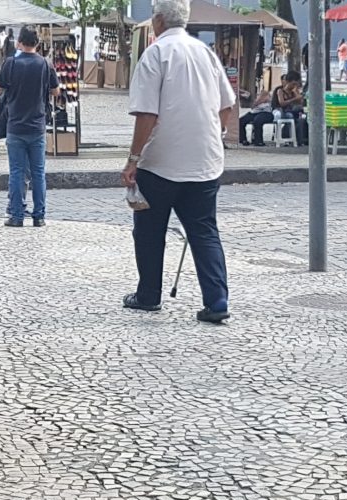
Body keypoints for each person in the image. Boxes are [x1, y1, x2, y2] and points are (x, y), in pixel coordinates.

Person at [121, 0, 235, 324]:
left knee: (148, 230)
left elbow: (147, 114)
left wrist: (132, 160)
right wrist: (217, 133)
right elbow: (227, 105)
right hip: (205, 161)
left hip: (161, 163)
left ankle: (148, 295)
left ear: (157, 20)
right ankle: (217, 301)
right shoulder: (206, 53)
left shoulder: (156, 54)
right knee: (204, 231)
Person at [0, 28, 59, 228]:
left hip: (15, 125)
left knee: (16, 172)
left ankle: (16, 216)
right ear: (37, 43)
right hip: (37, 125)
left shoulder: (11, 63)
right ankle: (39, 216)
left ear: (19, 43)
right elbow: (56, 90)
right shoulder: (44, 64)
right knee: (38, 173)